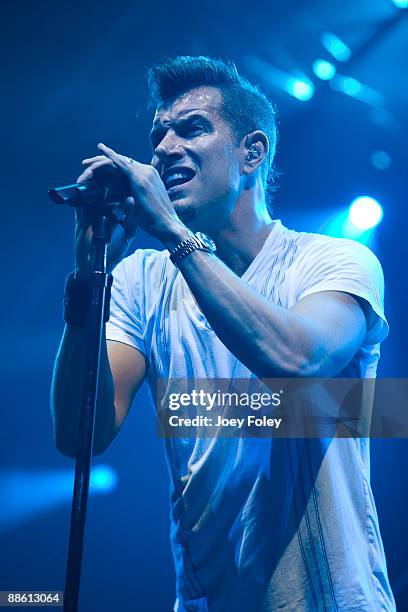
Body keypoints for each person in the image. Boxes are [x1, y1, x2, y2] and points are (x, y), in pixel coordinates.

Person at [51, 56, 396, 611]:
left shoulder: (333, 260)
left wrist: (171, 231)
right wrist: (88, 278)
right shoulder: (142, 278)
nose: (163, 148)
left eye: (191, 128)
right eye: (158, 134)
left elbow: (297, 360)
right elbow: (80, 433)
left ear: (251, 153)